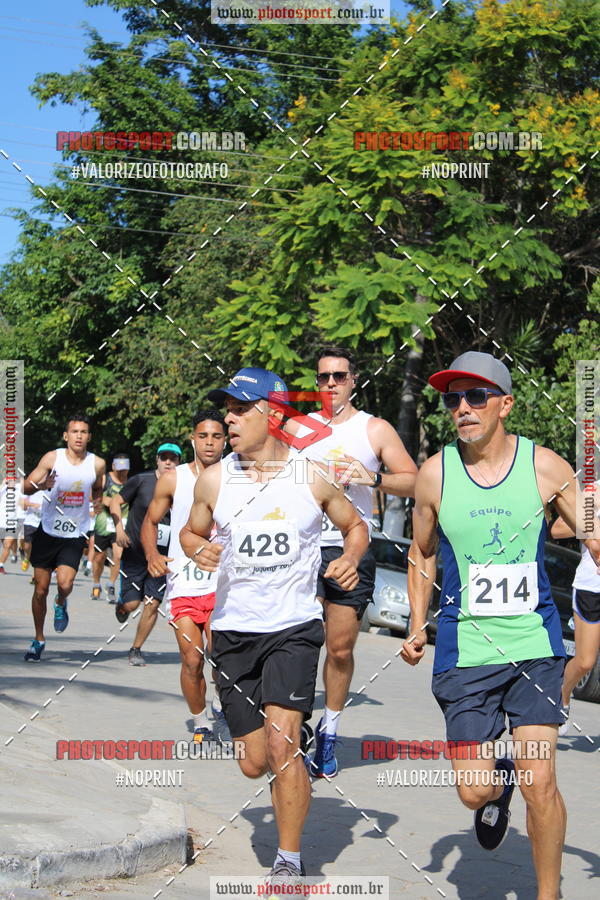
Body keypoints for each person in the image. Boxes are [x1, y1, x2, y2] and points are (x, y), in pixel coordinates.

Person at [401, 351, 600, 900]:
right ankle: (498, 780)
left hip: (534, 647)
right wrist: (417, 623)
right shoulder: (435, 474)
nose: (462, 408)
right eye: (452, 399)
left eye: (476, 397)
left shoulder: (546, 467)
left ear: (504, 404)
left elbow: (589, 526)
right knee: (474, 790)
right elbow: (421, 554)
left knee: (544, 783)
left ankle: (548, 893)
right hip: (466, 653)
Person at [180, 367, 369, 886]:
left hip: (294, 627)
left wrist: (351, 557)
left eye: (240, 409)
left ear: (273, 413)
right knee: (252, 760)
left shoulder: (311, 475)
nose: (229, 419)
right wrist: (202, 549)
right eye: (227, 409)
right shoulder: (215, 479)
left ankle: (289, 859)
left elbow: (356, 525)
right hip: (235, 633)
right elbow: (190, 534)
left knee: (283, 746)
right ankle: (283, 747)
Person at [297, 346, 417, 777]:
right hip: (301, 547)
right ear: (317, 382)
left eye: (339, 376)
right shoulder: (297, 428)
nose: (331, 383)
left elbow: (415, 481)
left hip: (352, 547)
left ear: (353, 380)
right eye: (324, 377)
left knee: (341, 647)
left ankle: (329, 732)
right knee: (297, 640)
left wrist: (374, 477)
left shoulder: (375, 429)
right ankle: (295, 724)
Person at [141, 411, 227, 741]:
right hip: (185, 585)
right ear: (192, 439)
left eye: (216, 436)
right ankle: (201, 719)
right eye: (203, 436)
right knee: (192, 659)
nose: (209, 442)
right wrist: (152, 555)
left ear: (225, 441)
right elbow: (150, 521)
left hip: (224, 585)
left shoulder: (236, 476)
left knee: (221, 658)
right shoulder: (173, 478)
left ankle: (223, 697)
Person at [22, 414, 105, 661]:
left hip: (74, 533)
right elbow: (26, 487)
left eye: (84, 432)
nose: (79, 436)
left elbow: (98, 487)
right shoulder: (52, 458)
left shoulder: (97, 463)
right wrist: (43, 485)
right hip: (47, 531)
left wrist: (98, 503)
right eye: (75, 431)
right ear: (66, 436)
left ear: (89, 436)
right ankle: (39, 639)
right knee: (40, 589)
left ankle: (61, 602)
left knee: (65, 584)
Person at [110, 442, 180, 666]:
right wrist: (119, 528)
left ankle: (136, 649)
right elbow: (115, 502)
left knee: (152, 603)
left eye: (173, 458)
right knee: (131, 605)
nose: (168, 462)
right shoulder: (141, 480)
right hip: (135, 554)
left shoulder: (185, 486)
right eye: (164, 457)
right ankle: (122, 606)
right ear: (157, 460)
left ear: (179, 462)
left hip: (161, 557)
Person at [550, 478, 600, 734]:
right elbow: (557, 529)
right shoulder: (595, 492)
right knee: (584, 662)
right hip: (592, 587)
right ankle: (563, 694)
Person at [90, 453, 130, 602]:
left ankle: (111, 584)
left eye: (125, 469)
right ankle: (96, 583)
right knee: (99, 557)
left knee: (118, 556)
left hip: (120, 525)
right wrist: (103, 500)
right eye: (119, 469)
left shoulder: (130, 482)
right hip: (103, 525)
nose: (122, 472)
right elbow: (91, 495)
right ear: (113, 467)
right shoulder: (105, 479)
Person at [21, 489, 45, 571]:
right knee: (27, 546)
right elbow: (23, 505)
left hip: (44, 523)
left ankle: (35, 575)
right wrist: (32, 504)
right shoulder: (32, 488)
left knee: (40, 549)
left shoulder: (52, 490)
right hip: (30, 521)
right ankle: (27, 558)